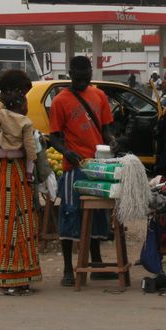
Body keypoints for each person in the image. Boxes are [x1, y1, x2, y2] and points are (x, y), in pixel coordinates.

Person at [48, 55, 117, 286]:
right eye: (78, 78)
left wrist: (113, 141)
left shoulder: (99, 95)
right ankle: (69, 268)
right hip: (74, 168)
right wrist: (67, 152)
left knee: (98, 216)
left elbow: (106, 129)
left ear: (90, 74)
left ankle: (96, 265)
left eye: (85, 77)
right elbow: (54, 138)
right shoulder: (60, 100)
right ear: (70, 74)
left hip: (98, 166)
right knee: (70, 213)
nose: (81, 81)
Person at [0, 69, 42, 295]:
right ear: (12, 91)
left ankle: (20, 276)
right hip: (4, 173)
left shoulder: (4, 109)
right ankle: (10, 279)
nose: (23, 100)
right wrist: (17, 147)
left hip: (14, 173)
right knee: (9, 225)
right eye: (22, 94)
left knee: (19, 223)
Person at [0, 91, 39, 192]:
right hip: (17, 152)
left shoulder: (2, 114)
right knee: (30, 155)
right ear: (23, 107)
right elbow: (29, 143)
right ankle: (29, 175)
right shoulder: (27, 122)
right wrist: (31, 156)